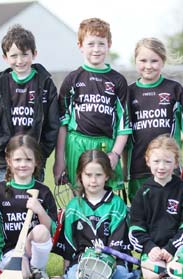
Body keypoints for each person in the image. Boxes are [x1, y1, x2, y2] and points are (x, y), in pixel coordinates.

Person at [53, 18, 131, 190]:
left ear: (109, 44)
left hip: (106, 145)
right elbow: (62, 124)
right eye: (91, 44)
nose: (96, 49)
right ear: (80, 45)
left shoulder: (117, 80)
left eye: (101, 44)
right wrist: (59, 160)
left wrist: (116, 153)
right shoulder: (73, 79)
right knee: (79, 196)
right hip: (76, 143)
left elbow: (124, 126)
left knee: (106, 197)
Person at [127, 37, 183, 201]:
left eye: (154, 60)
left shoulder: (174, 90)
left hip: (169, 165)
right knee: (140, 214)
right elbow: (123, 133)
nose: (148, 66)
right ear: (135, 61)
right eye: (143, 60)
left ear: (163, 61)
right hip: (138, 167)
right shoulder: (129, 92)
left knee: (169, 211)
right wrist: (123, 167)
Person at [0, 24, 59, 183]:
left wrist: (39, 153)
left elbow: (53, 125)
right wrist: (7, 149)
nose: (19, 60)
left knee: (33, 205)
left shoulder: (46, 84)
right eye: (14, 55)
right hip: (5, 162)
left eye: (24, 54)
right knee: (5, 205)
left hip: (34, 163)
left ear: (34, 54)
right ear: (5, 57)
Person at [0, 134, 57, 279]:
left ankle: (37, 269)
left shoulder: (43, 191)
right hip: (9, 251)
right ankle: (24, 271)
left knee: (41, 231)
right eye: (17, 160)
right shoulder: (0, 189)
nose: (23, 164)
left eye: (28, 160)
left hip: (33, 250)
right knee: (21, 274)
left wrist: (39, 210)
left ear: (36, 162)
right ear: (9, 161)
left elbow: (50, 229)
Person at [62, 149, 140, 279]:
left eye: (98, 175)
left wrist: (105, 261)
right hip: (83, 259)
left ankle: (135, 274)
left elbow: (118, 242)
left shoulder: (116, 204)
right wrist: (67, 270)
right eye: (88, 175)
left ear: (107, 176)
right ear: (80, 176)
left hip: (113, 258)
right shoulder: (73, 206)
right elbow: (69, 244)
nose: (93, 180)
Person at [129, 135, 183, 279]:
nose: (161, 167)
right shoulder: (143, 193)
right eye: (156, 161)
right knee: (152, 277)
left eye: (167, 162)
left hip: (179, 250)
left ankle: (171, 273)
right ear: (148, 161)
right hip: (153, 252)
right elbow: (135, 230)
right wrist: (150, 248)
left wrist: (171, 249)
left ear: (175, 164)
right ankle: (168, 275)